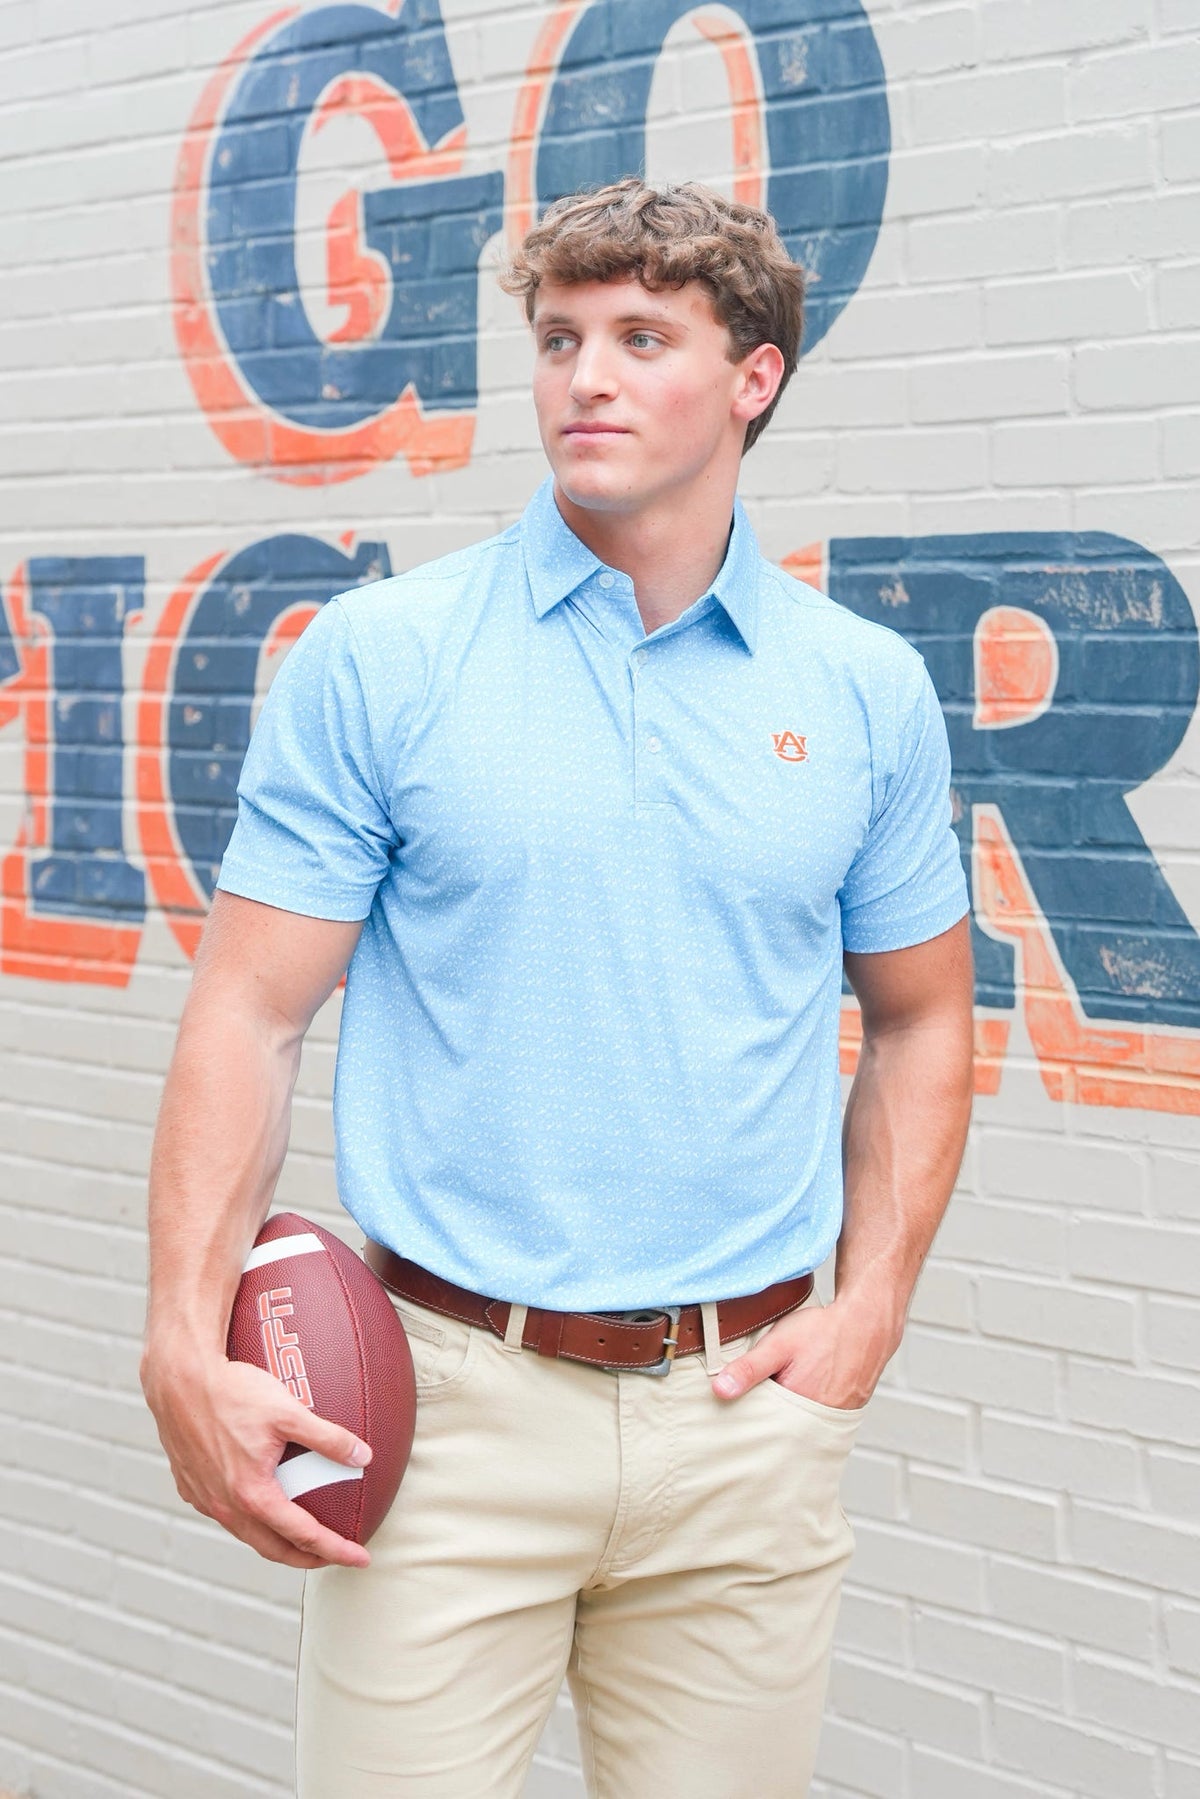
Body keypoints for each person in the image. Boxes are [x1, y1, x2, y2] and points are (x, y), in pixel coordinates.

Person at [141, 179, 974, 1797]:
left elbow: (925, 1018)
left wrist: (869, 1308)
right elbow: (248, 1010)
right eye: (559, 338)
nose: (585, 377)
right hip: (448, 1411)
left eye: (642, 338)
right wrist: (182, 1334)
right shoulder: (385, 658)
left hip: (744, 1425)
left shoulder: (864, 691)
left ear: (754, 378)